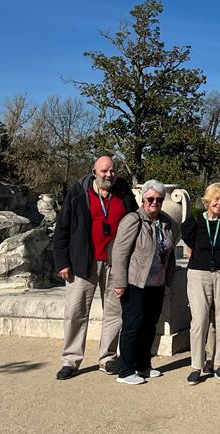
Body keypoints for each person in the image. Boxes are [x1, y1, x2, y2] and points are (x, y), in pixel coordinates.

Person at [53, 155, 138, 380]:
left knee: (114, 311)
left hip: (115, 263)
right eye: (104, 171)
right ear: (94, 172)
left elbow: (137, 221)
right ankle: (71, 360)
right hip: (83, 261)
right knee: (75, 312)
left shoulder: (123, 192)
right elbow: (62, 227)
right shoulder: (78, 192)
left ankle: (107, 358)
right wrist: (63, 261)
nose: (108, 175)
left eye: (112, 171)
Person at [110, 179, 176, 385]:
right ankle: (126, 369)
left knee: (149, 325)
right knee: (133, 325)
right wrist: (119, 283)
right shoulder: (132, 220)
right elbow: (119, 254)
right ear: (143, 199)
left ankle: (143, 365)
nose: (154, 202)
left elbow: (170, 249)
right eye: (150, 199)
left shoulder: (165, 220)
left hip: (156, 282)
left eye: (158, 199)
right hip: (135, 282)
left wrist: (170, 276)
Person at [182, 182, 220, 385]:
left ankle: (219, 363)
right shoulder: (195, 221)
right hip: (199, 274)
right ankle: (196, 365)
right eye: (216, 199)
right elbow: (188, 243)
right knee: (199, 320)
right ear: (207, 200)